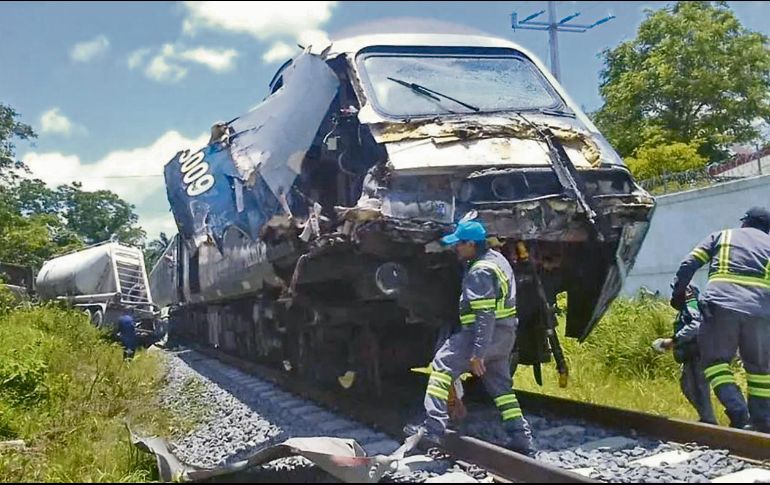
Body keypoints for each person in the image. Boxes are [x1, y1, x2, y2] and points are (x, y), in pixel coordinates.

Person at [405, 219, 534, 455]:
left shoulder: (480, 272)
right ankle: (521, 436)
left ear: (472, 245)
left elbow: (485, 316)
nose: (456, 248)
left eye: (459, 244)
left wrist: (478, 353)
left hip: (481, 335)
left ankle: (433, 429)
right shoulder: (499, 260)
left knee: (441, 368)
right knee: (502, 390)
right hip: (505, 336)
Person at [671, 207, 770, 432]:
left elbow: (689, 264)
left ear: (745, 223)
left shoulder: (723, 236)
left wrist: (678, 294)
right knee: (760, 371)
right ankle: (763, 423)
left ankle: (739, 413)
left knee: (715, 363)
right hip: (761, 313)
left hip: (720, 306)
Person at [653, 285, 717, 424]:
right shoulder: (685, 308)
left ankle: (709, 422)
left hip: (698, 354)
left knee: (699, 388)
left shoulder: (692, 304)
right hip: (691, 355)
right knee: (687, 386)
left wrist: (674, 340)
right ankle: (706, 418)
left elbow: (696, 325)